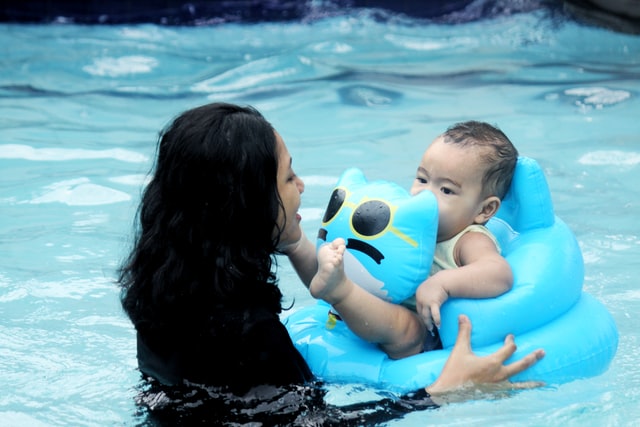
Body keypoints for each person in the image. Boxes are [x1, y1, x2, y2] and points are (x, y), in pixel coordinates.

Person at [118, 103, 543, 424]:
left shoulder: (161, 293)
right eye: (288, 177)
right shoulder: (248, 335)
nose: (301, 186)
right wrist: (442, 393)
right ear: (245, 205)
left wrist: (295, 243)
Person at [310, 121, 518, 359]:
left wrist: (442, 284)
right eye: (422, 179)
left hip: (420, 338)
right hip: (379, 314)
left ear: (484, 210)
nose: (425, 194)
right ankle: (336, 288)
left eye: (446, 190)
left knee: (406, 328)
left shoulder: (467, 240)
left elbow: (499, 273)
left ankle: (341, 291)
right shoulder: (405, 226)